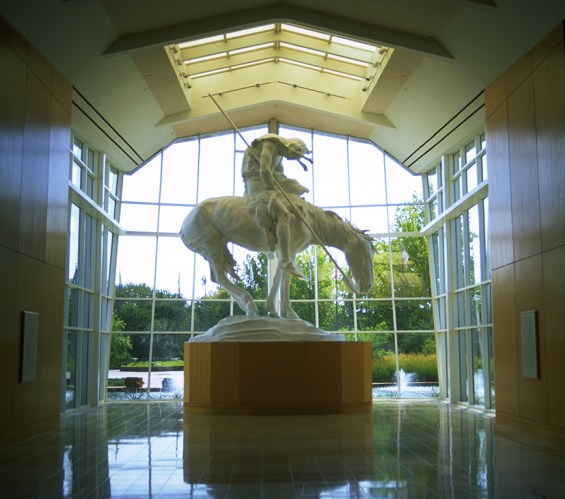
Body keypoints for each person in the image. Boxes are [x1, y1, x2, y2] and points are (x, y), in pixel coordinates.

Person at [242, 134, 312, 279]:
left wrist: (294, 186)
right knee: (284, 214)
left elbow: (279, 175)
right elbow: (264, 170)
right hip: (257, 184)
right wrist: (273, 189)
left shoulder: (279, 154)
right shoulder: (270, 145)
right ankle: (285, 260)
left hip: (268, 184)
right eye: (295, 157)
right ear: (293, 148)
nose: (291, 159)